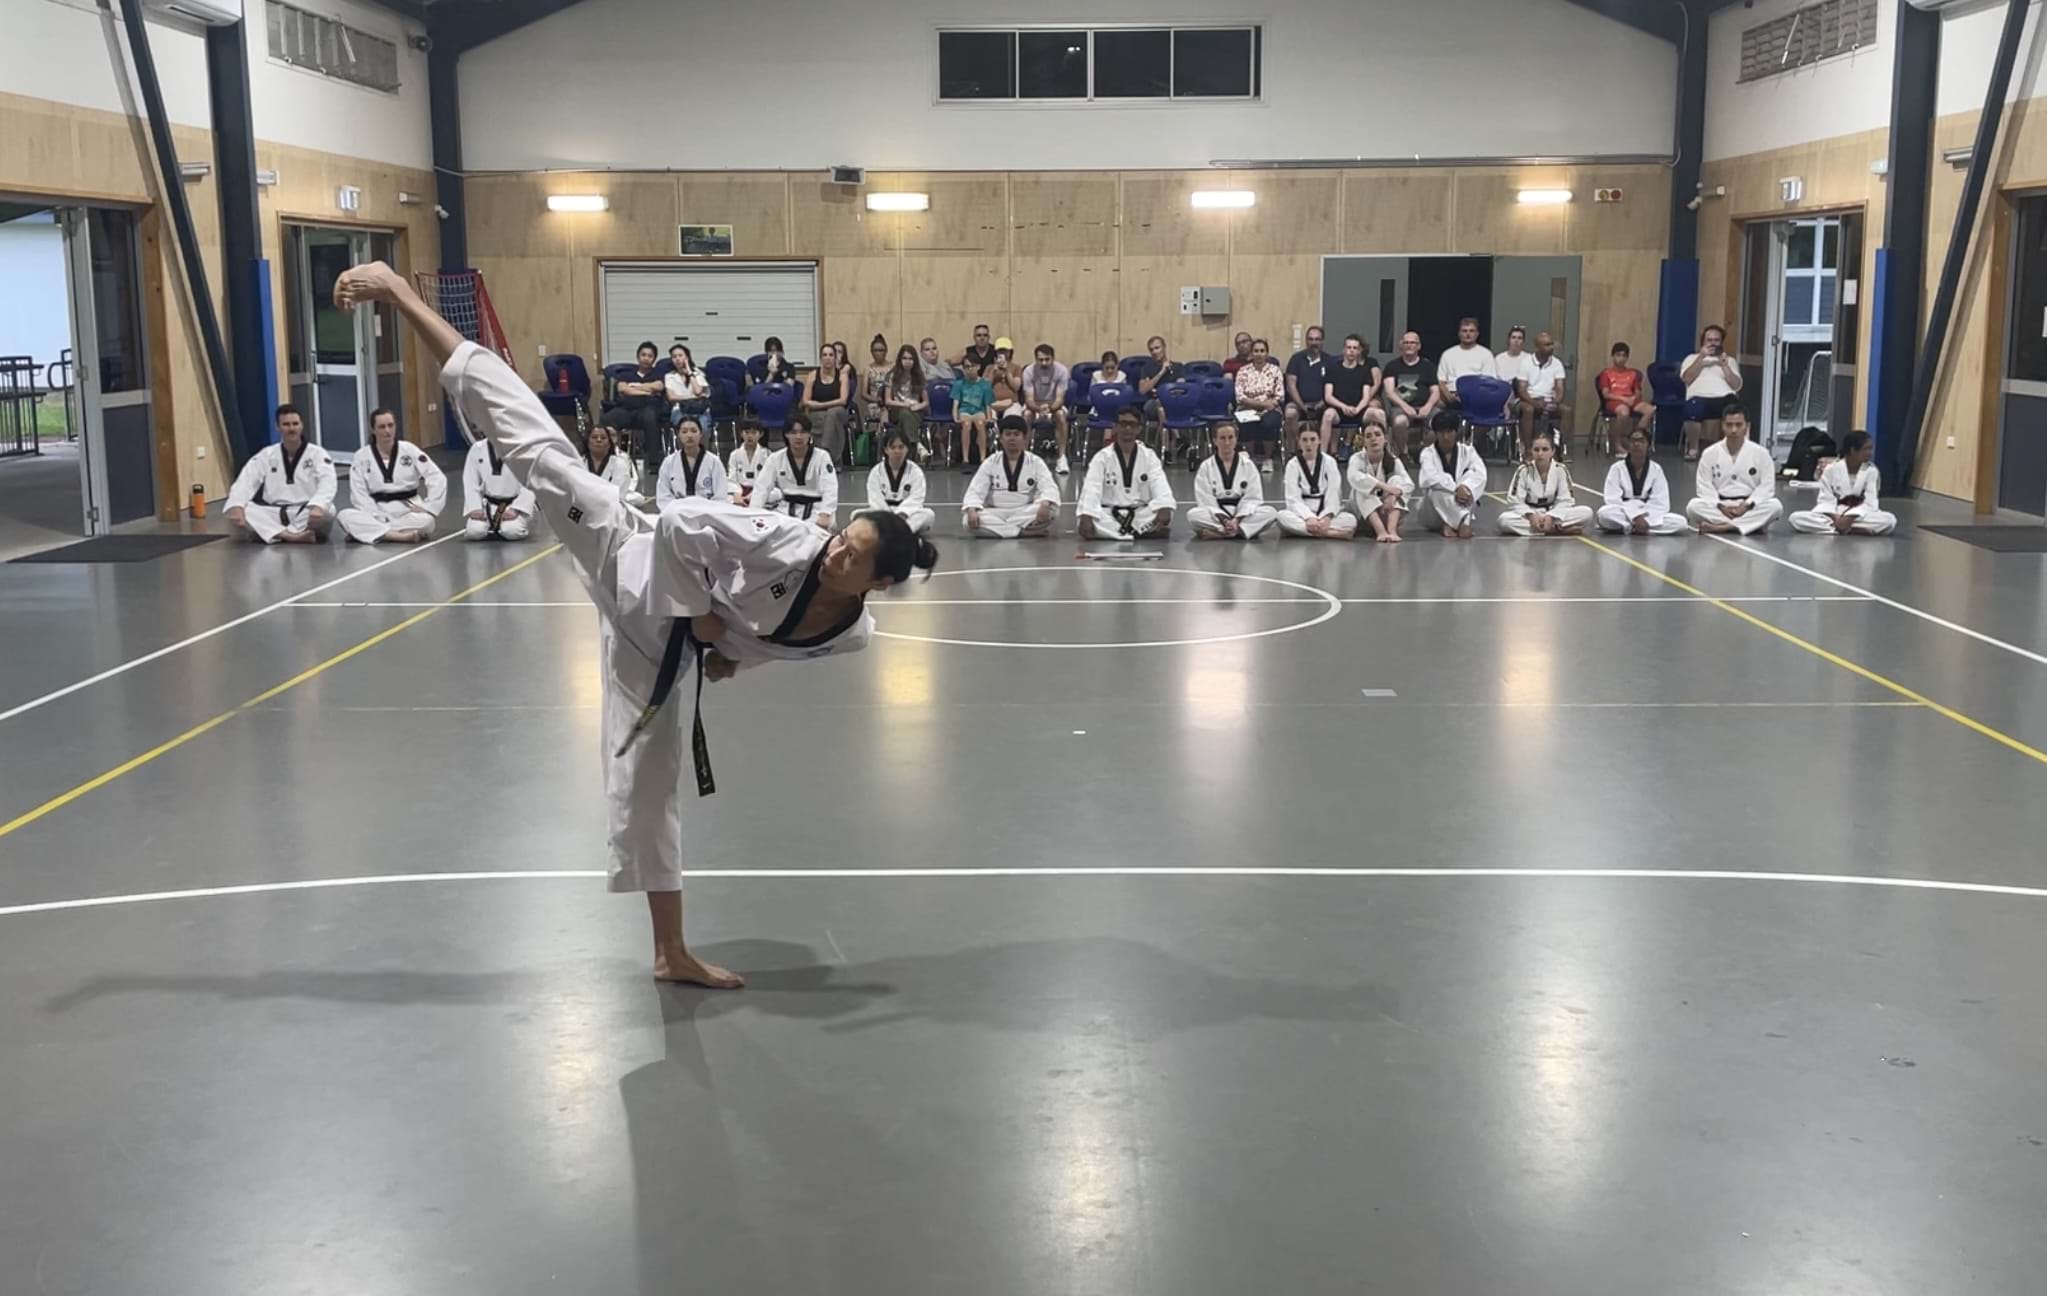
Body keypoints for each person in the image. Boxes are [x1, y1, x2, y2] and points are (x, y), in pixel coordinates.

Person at [335, 261, 938, 988]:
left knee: (648, 789)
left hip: (650, 650)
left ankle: (669, 951)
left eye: (851, 557)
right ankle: (400, 292)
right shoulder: (792, 541)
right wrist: (704, 614)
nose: (835, 549)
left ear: (877, 585)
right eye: (843, 538)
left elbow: (785, 643)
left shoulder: (852, 634)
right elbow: (680, 522)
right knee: (532, 446)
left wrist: (733, 657)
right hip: (625, 552)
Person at [226, 404, 336, 544]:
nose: (291, 428)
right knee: (244, 508)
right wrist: (237, 505)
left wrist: (318, 505)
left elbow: (328, 482)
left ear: (301, 425)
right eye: (286, 424)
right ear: (278, 427)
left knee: (329, 510)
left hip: (306, 512)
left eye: (295, 424)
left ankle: (274, 533)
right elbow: (246, 480)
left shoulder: (317, 453)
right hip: (274, 512)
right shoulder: (267, 454)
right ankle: (291, 536)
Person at [337, 407, 444, 544]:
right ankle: (399, 536)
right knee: (344, 515)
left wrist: (429, 506)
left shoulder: (409, 450)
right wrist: (375, 515)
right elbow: (359, 492)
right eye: (382, 427)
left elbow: (436, 476)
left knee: (427, 521)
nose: (387, 431)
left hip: (407, 508)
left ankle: (370, 532)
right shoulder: (362, 456)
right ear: (373, 430)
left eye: (390, 425)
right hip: (376, 509)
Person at [1078, 407, 1174, 540]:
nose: (1127, 428)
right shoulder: (1102, 457)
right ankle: (1142, 532)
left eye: (1132, 424)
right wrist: (1087, 515)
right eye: (1123, 424)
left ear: (1139, 429)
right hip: (1110, 514)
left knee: (1165, 511)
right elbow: (1091, 488)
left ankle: (1118, 533)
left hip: (1140, 513)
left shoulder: (1149, 456)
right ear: (1115, 427)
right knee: (1090, 519)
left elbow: (1159, 483)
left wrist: (1164, 506)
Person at [1686, 405, 1781, 535]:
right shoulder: (1710, 453)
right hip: (1721, 505)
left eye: (1738, 425)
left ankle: (1722, 527)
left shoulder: (1761, 453)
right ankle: (1751, 525)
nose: (1734, 430)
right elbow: (1704, 486)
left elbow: (1767, 486)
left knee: (1775, 506)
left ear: (1747, 426)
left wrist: (1747, 505)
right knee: (1693, 506)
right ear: (1722, 426)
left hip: (1749, 505)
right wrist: (1720, 506)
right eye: (1729, 425)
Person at [963, 414, 1059, 538]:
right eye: (1008, 434)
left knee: (1052, 511)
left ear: (1024, 438)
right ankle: (1021, 532)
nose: (1012, 438)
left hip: (1025, 511)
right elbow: (975, 490)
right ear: (1001, 438)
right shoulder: (991, 462)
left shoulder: (1035, 462)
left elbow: (1049, 487)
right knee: (967, 521)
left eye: (1016, 434)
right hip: (995, 512)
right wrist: (972, 509)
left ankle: (1001, 530)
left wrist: (1045, 503)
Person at [1790, 430, 1896, 535]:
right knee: (1796, 518)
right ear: (1853, 450)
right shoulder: (1831, 469)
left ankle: (1839, 528)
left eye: (1870, 449)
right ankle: (1850, 529)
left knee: (1889, 520)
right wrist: (1836, 518)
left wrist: (1850, 517)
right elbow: (1825, 499)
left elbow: (1870, 501)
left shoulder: (1872, 471)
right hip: (1834, 514)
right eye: (1866, 449)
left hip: (1859, 516)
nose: (1870, 453)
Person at [1189, 422, 1276, 541]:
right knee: (1193, 515)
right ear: (1214, 441)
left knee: (1270, 512)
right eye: (1222, 438)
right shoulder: (1206, 466)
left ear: (1236, 439)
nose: (1227, 442)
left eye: (1230, 437)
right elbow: (1205, 499)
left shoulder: (1248, 465)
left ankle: (1221, 533)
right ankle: (1238, 531)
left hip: (1242, 515)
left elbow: (1253, 497)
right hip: (1217, 515)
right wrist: (1224, 520)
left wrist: (1237, 519)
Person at [754, 412, 839, 529]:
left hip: (817, 510)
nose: (798, 437)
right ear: (786, 435)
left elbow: (830, 487)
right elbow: (762, 487)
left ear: (809, 434)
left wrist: (825, 513)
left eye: (803, 432)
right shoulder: (776, 458)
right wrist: (753, 512)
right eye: (793, 432)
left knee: (818, 531)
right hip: (785, 510)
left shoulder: (822, 456)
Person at [1598, 425, 1687, 535]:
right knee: (1604, 514)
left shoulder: (1656, 469)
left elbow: (1661, 502)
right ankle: (1640, 527)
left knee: (1681, 523)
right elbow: (1612, 500)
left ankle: (1630, 528)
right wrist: (1635, 516)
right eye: (1633, 441)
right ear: (1628, 445)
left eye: (1641, 441)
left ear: (1648, 445)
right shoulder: (1617, 468)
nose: (1637, 444)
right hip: (1624, 513)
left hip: (1648, 515)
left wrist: (1643, 517)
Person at [1498, 432, 1591, 536]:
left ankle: (1540, 529)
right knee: (1504, 520)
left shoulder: (1560, 469)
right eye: (1536, 450)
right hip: (1530, 514)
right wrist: (1531, 515)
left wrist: (1551, 516)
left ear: (1552, 451)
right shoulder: (1524, 470)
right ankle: (1557, 530)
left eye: (1545, 449)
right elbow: (1515, 500)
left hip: (1554, 514)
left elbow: (1566, 499)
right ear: (1531, 451)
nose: (1540, 454)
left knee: (1587, 513)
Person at [1414, 411, 1486, 539]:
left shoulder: (1468, 451)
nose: (1446, 437)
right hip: (1432, 513)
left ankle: (1449, 524)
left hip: (1461, 502)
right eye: (1441, 433)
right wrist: (1456, 489)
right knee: (1435, 489)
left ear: (1456, 432)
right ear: (1436, 434)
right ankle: (1463, 523)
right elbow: (1428, 479)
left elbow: (1480, 474)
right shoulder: (1427, 453)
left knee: (1469, 482)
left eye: (1449, 432)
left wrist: (1465, 487)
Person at [1277, 426, 1354, 540]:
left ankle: (1303, 531)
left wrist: (1326, 517)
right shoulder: (1292, 465)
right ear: (1299, 442)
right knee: (1281, 516)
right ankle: (1331, 533)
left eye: (1313, 439)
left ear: (1319, 440)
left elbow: (1334, 493)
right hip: (1302, 515)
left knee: (1350, 520)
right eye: (1304, 440)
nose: (1309, 444)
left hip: (1324, 512)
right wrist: (1309, 517)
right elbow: (1293, 498)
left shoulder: (1329, 462)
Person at [461, 428, 537, 540]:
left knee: (512, 531)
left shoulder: (522, 450)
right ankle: (495, 526)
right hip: (488, 505)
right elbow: (470, 481)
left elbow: (531, 482)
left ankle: (520, 523)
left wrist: (516, 509)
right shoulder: (477, 449)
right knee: (474, 531)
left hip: (513, 504)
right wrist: (475, 508)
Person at [1681, 324, 1742, 462]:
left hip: (1724, 398)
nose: (1713, 343)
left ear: (1721, 342)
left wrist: (1725, 366)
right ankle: (1693, 449)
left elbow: (1736, 386)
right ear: (1703, 342)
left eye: (1716, 340)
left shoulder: (1730, 361)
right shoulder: (1691, 358)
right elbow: (1686, 379)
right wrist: (1701, 359)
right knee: (1692, 409)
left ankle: (1733, 448)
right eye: (1709, 340)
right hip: (1699, 398)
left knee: (1736, 409)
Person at [603, 341, 666, 474]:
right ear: (638, 357)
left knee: (651, 417)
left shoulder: (658, 374)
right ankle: (609, 458)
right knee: (607, 418)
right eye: (643, 355)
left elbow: (659, 386)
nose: (646, 358)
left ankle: (654, 462)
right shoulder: (627, 374)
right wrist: (647, 391)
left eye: (650, 356)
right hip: (627, 410)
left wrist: (633, 387)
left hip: (647, 410)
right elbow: (622, 389)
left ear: (654, 359)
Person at [1320, 333, 1385, 454]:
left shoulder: (1364, 371)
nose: (1351, 351)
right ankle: (1322, 454)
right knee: (1328, 414)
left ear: (1359, 351)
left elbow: (1366, 397)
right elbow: (1328, 396)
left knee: (1379, 413)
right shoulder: (1332, 369)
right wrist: (1344, 407)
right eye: (1349, 347)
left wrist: (1358, 409)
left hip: (1359, 411)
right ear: (1343, 349)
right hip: (1338, 411)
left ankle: (1383, 451)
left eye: (1355, 348)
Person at [1346, 423, 1411, 544]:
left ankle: (1392, 531)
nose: (1373, 439)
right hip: (1363, 516)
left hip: (1387, 510)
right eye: (1368, 436)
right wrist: (1384, 487)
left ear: (1385, 439)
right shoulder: (1357, 458)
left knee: (1397, 480)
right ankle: (1380, 531)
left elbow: (1408, 484)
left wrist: (1394, 495)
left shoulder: (1394, 461)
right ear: (1364, 441)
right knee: (1362, 488)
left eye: (1377, 434)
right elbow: (1354, 477)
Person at [1380, 331, 1440, 458]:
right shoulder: (1392, 366)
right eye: (1406, 342)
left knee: (1441, 422)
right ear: (1401, 345)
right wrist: (1405, 407)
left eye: (1412, 343)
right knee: (1399, 422)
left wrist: (1428, 406)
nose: (1409, 345)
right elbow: (1389, 392)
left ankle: (1424, 453)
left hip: (1425, 407)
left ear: (1419, 346)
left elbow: (1435, 391)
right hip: (1400, 408)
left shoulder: (1428, 366)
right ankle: (1404, 454)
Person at [866, 430, 934, 536]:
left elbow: (916, 499)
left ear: (907, 449)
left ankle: (896, 532)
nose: (897, 451)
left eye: (901, 447)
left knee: (928, 515)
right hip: (884, 516)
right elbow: (875, 499)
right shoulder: (876, 472)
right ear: (886, 450)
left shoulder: (915, 471)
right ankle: (902, 532)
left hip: (905, 516)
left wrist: (900, 514)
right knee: (856, 515)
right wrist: (888, 517)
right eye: (893, 447)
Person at [1018, 343, 1071, 475]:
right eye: (1040, 360)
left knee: (1060, 416)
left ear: (1053, 358)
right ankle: (1024, 457)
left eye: (1047, 359)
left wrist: (1050, 408)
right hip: (1035, 406)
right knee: (1026, 415)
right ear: (1035, 359)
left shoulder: (1062, 371)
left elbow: (1060, 398)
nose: (1044, 363)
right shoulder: (1028, 371)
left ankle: (1061, 457)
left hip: (1054, 405)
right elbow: (1029, 399)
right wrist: (1038, 408)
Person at [1233, 338, 1285, 472]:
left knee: (1269, 423)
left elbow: (1279, 395)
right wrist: (1260, 405)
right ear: (1251, 353)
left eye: (1262, 351)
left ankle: (1267, 459)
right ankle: (1251, 459)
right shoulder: (1243, 371)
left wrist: (1267, 407)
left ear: (1267, 353)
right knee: (1245, 423)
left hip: (1271, 409)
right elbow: (1240, 396)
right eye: (1256, 351)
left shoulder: (1275, 370)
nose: (1259, 354)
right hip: (1247, 407)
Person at [1595, 342, 1655, 458]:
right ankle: (1617, 444)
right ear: (1613, 356)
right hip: (1614, 401)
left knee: (1650, 410)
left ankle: (1635, 437)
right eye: (1618, 355)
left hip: (1631, 400)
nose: (1621, 359)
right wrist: (1624, 399)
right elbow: (1606, 394)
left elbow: (1637, 391)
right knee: (1624, 412)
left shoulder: (1633, 373)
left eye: (1624, 356)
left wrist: (1633, 398)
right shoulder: (1606, 373)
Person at [1518, 331, 1570, 459]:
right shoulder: (1525, 362)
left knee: (1567, 410)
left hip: (1549, 399)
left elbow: (1560, 388)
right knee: (1528, 410)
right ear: (1537, 347)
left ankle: (1558, 449)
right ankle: (1528, 450)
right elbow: (1522, 390)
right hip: (1529, 400)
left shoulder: (1557, 363)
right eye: (1547, 345)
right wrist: (1535, 403)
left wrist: (1555, 402)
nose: (1551, 347)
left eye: (1551, 344)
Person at [657, 418, 729, 508]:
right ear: (678, 435)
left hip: (707, 511)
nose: (689, 435)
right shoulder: (669, 462)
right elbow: (663, 496)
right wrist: (677, 510)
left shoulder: (714, 462)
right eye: (684, 432)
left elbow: (721, 496)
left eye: (694, 431)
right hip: (678, 511)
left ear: (701, 434)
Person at [800, 344, 854, 465]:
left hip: (838, 412)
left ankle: (825, 451)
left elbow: (843, 400)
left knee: (832, 413)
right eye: (825, 355)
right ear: (820, 358)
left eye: (831, 355)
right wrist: (822, 406)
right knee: (826, 417)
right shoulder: (812, 375)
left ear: (835, 358)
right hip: (817, 413)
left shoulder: (842, 375)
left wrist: (820, 405)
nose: (828, 358)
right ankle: (832, 460)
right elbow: (805, 400)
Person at [1283, 325, 1333, 446]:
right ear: (1306, 341)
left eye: (1317, 339)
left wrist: (1321, 404)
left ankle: (1323, 450)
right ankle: (1296, 448)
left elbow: (1333, 387)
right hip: (1298, 403)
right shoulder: (1296, 359)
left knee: (1331, 414)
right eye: (1310, 339)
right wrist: (1302, 406)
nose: (1314, 343)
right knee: (1290, 414)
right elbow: (1291, 386)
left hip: (1322, 404)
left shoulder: (1330, 361)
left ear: (1322, 341)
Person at [1137, 335, 1186, 457]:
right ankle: (1178, 438)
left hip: (1175, 402)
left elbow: (1182, 388)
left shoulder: (1177, 367)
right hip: (1152, 403)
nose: (1154, 352)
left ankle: (1165, 451)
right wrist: (1161, 372)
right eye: (1151, 349)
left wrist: (1165, 394)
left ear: (1164, 348)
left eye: (1157, 348)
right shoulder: (1147, 369)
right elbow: (1142, 390)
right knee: (1160, 405)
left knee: (1163, 409)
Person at [1436, 317, 1495, 413]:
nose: (1468, 334)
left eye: (1471, 331)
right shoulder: (1447, 354)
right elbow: (1441, 381)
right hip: (1451, 396)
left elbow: (1488, 382)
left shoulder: (1486, 354)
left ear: (1477, 334)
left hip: (1477, 397)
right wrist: (1450, 398)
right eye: (1464, 331)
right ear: (1459, 333)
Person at [950, 353, 994, 472]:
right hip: (964, 411)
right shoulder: (959, 384)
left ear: (978, 367)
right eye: (967, 367)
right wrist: (955, 417)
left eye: (972, 366)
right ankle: (965, 459)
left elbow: (987, 404)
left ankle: (983, 458)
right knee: (966, 424)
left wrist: (989, 417)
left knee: (980, 423)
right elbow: (956, 403)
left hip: (978, 410)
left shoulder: (985, 384)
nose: (970, 369)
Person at [583, 423, 641, 506]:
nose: (599, 440)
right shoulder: (580, 463)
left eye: (603, 438)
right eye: (594, 437)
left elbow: (618, 492)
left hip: (610, 506)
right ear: (588, 442)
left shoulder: (620, 464)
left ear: (609, 444)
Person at [883, 344, 927, 450]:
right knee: (904, 413)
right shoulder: (891, 376)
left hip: (915, 410)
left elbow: (926, 402)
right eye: (904, 358)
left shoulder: (919, 376)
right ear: (900, 360)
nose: (907, 361)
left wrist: (918, 406)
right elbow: (888, 401)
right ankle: (916, 445)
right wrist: (905, 405)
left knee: (907, 416)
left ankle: (910, 448)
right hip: (897, 410)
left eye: (911, 359)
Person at [663, 344, 710, 439]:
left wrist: (689, 372)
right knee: (684, 429)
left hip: (699, 410)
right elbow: (671, 397)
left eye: (680, 356)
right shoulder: (669, 376)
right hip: (679, 410)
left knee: (701, 427)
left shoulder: (698, 373)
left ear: (687, 358)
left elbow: (698, 391)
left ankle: (700, 448)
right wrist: (692, 397)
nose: (677, 359)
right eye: (674, 357)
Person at [726, 419, 768, 506]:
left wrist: (752, 495)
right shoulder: (735, 454)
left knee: (776, 493)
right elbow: (731, 479)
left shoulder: (767, 454)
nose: (750, 436)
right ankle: (742, 501)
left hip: (759, 490)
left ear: (761, 434)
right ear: (741, 434)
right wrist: (737, 494)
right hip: (740, 490)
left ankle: (749, 500)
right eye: (747, 432)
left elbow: (767, 480)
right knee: (725, 495)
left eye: (754, 433)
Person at [862, 334, 894, 435]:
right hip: (875, 403)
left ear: (886, 351)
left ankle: (883, 435)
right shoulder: (868, 369)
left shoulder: (893, 367)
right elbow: (863, 393)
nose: (878, 353)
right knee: (882, 411)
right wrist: (876, 399)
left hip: (891, 402)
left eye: (881, 350)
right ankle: (882, 436)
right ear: (871, 352)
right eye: (875, 350)